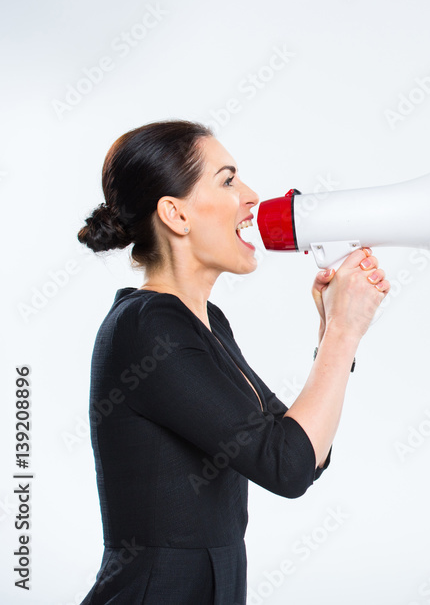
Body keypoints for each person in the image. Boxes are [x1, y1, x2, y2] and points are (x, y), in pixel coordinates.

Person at [76, 120, 389, 604]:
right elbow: (287, 466)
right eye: (227, 181)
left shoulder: (206, 322)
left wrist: (332, 330)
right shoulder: (147, 327)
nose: (251, 196)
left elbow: (305, 453)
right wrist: (343, 335)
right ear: (175, 214)